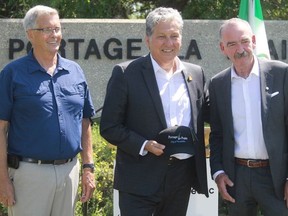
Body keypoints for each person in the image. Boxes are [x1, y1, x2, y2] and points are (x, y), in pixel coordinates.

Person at [100, 7, 209, 216]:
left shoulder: (196, 74)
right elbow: (109, 126)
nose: (169, 43)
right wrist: (144, 144)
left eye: (174, 36)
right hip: (139, 179)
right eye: (161, 37)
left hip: (181, 178)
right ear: (147, 39)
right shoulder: (126, 73)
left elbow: (211, 113)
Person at [0, 5, 96, 216]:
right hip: (29, 175)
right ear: (30, 35)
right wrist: (2, 179)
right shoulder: (12, 74)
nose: (54, 35)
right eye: (46, 30)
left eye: (57, 29)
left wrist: (88, 167)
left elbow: (85, 121)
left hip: (69, 171)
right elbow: (1, 128)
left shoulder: (75, 71)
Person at [209, 17, 288, 216]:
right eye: (232, 44)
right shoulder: (218, 84)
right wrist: (218, 173)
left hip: (276, 176)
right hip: (237, 177)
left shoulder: (282, 74)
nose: (240, 49)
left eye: (244, 41)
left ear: (253, 41)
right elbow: (217, 134)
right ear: (222, 48)